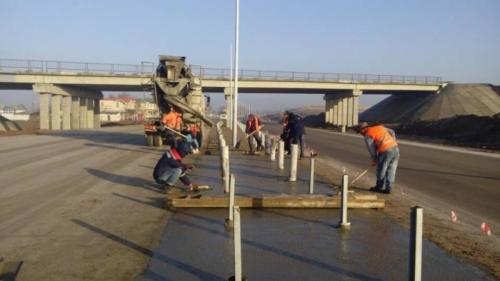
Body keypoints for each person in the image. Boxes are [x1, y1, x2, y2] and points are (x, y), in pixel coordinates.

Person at [358, 122, 400, 194]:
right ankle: (388, 187)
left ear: (365, 128)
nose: (361, 133)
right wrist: (394, 140)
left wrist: (374, 159)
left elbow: (371, 149)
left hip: (385, 150)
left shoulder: (368, 135)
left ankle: (379, 187)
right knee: (391, 169)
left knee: (381, 169)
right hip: (395, 149)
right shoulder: (380, 127)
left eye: (360, 131)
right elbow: (392, 131)